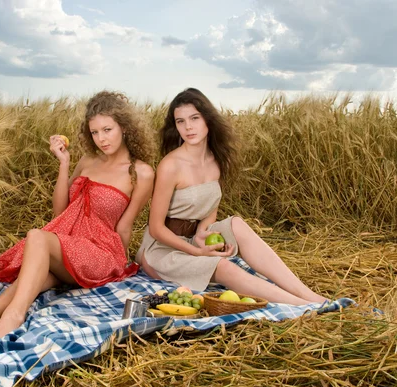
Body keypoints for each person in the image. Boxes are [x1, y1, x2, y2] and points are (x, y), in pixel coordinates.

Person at [0, 91, 155, 344]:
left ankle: (11, 317)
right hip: (70, 244)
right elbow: (60, 212)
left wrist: (120, 268)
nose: (101, 139)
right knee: (38, 275)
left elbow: (125, 227)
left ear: (124, 127)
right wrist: (64, 163)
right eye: (94, 133)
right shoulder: (89, 160)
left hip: (101, 252)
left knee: (38, 237)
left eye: (107, 129)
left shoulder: (141, 172)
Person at [136, 88, 327, 306]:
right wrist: (197, 252)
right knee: (223, 266)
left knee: (236, 224)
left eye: (194, 118)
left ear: (208, 119)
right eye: (180, 121)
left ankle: (309, 295)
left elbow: (210, 209)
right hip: (163, 249)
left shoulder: (216, 161)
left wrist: (202, 235)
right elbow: (156, 228)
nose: (188, 127)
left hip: (194, 240)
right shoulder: (170, 166)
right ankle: (305, 305)